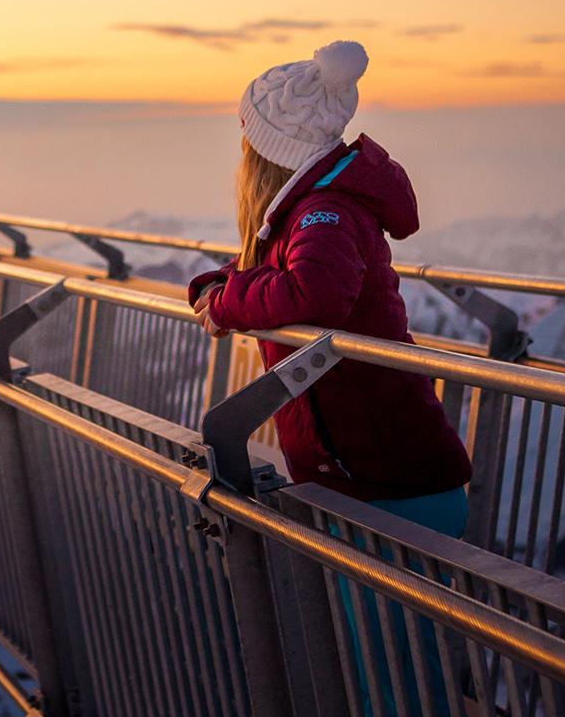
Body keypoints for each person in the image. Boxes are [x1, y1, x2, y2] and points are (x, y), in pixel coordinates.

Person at [187, 39, 471, 715]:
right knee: (391, 676)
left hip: (389, 485)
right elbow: (285, 272)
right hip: (376, 478)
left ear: (268, 147)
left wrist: (226, 304)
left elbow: (314, 291)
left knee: (400, 687)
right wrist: (218, 286)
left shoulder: (325, 210)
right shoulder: (313, 205)